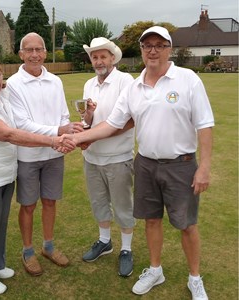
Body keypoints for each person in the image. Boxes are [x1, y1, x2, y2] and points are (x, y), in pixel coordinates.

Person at [62, 26, 214, 300]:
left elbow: (204, 125)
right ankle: (155, 270)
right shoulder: (134, 87)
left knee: (187, 225)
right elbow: (111, 124)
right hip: (145, 163)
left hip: (181, 164)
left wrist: (204, 167)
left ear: (169, 48)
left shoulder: (188, 79)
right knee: (151, 221)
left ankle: (195, 278)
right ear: (142, 50)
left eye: (159, 45)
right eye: (147, 46)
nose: (153, 50)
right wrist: (80, 137)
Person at [0, 56, 75, 295]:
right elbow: (8, 134)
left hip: (1, 175)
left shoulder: (0, 95)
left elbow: (25, 82)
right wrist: (53, 139)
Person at [6, 32, 84, 276]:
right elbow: (22, 125)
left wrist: (64, 137)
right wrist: (58, 133)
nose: (35, 54)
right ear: (21, 54)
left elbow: (63, 115)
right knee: (28, 205)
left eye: (39, 49)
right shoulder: (13, 84)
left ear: (45, 52)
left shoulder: (55, 81)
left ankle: (48, 246)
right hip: (28, 155)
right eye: (29, 50)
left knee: (50, 201)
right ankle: (28, 251)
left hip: (54, 154)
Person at [80, 37, 136, 277]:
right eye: (94, 56)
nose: (99, 61)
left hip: (118, 156)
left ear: (113, 58)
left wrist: (92, 136)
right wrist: (88, 117)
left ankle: (126, 249)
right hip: (92, 158)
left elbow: (131, 119)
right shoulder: (88, 84)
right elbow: (86, 121)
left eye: (103, 56)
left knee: (123, 206)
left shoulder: (126, 81)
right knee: (99, 202)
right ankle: (105, 242)